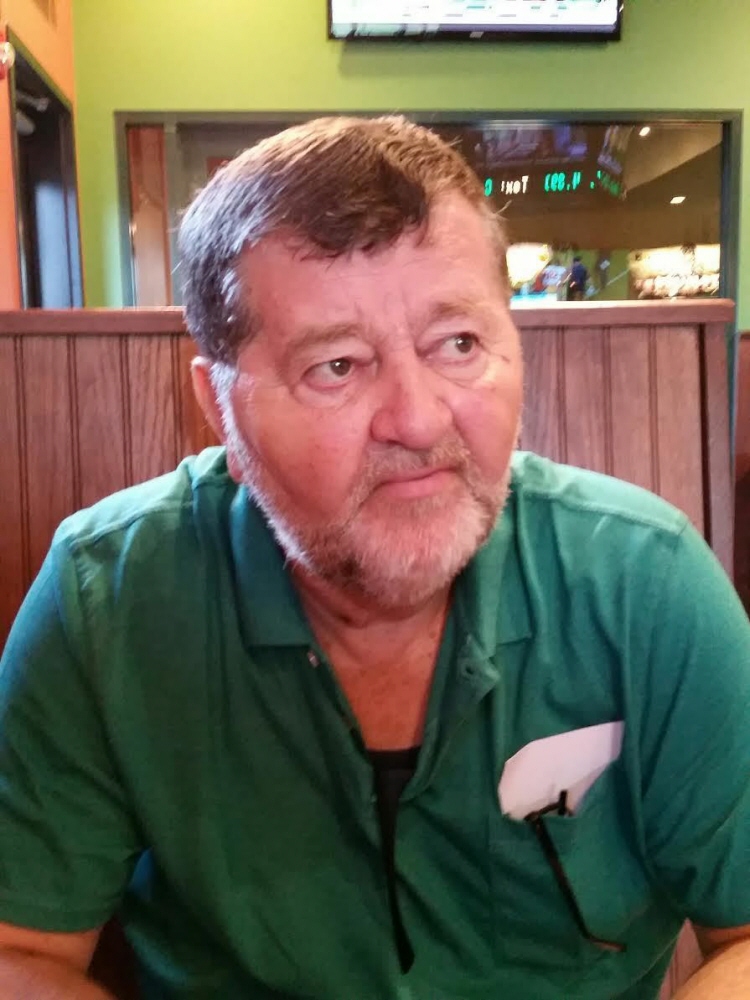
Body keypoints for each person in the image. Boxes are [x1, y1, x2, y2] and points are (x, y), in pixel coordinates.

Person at [0, 116, 749, 1000]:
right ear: (219, 407)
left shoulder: (645, 585)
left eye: (458, 345)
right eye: (337, 366)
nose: (419, 421)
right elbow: (23, 952)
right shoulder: (109, 600)